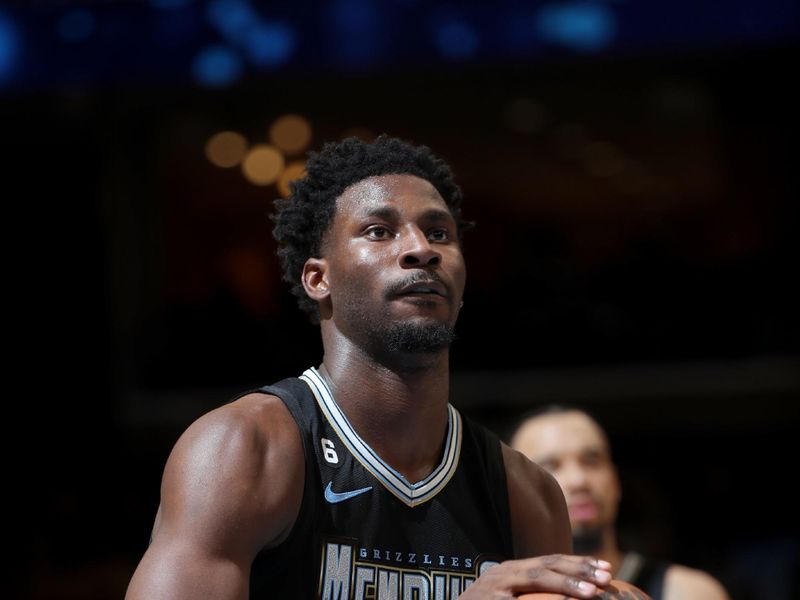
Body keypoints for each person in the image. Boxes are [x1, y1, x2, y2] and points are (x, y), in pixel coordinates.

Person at [125, 134, 623, 599]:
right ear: (319, 279)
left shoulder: (525, 492)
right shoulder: (242, 449)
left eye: (440, 233)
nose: (421, 249)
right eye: (379, 231)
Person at [510, 405, 730, 600]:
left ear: (615, 481)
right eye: (550, 466)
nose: (579, 481)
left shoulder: (687, 592)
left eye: (592, 460)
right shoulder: (495, 592)